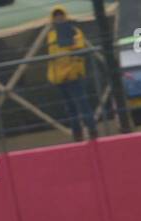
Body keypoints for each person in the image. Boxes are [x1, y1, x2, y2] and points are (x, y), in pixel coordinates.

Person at [47, 6, 97, 142]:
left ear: (65, 16)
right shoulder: (51, 34)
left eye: (61, 15)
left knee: (82, 104)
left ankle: (92, 131)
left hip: (73, 75)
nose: (59, 18)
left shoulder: (74, 31)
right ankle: (77, 134)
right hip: (59, 78)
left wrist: (69, 41)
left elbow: (79, 47)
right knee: (70, 108)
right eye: (56, 16)